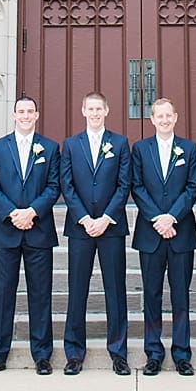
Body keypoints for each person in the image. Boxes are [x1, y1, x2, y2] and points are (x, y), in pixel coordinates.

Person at [0, 95, 60, 374]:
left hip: (39, 230)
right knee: (2, 295)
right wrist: (13, 213)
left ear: (37, 115)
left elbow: (53, 186)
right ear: (14, 115)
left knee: (40, 295)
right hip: (6, 231)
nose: (25, 116)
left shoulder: (50, 148)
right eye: (21, 111)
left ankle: (42, 355)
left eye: (30, 112)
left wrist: (32, 212)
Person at [61, 90, 132, 375]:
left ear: (106, 111)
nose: (94, 114)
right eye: (90, 109)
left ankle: (118, 353)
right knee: (77, 290)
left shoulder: (120, 143)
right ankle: (74, 353)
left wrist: (105, 218)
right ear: (83, 111)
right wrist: (83, 218)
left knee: (115, 290)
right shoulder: (71, 144)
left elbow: (124, 184)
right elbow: (67, 184)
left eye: (98, 109)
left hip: (110, 227)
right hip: (80, 228)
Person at [130, 96, 196, 376]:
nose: (164, 120)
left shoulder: (189, 149)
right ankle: (154, 353)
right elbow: (137, 186)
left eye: (169, 115)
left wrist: (172, 217)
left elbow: (192, 187)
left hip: (181, 232)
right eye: (160, 116)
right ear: (152, 119)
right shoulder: (140, 149)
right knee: (152, 295)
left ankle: (182, 354)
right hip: (151, 233)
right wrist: (158, 218)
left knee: (181, 296)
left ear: (176, 117)